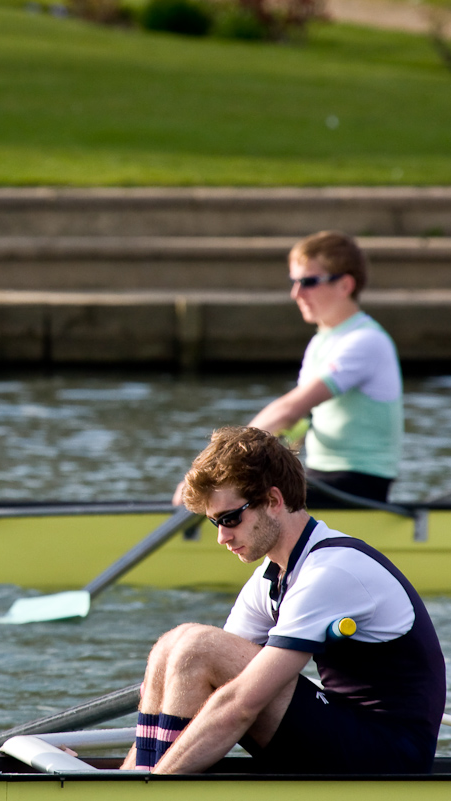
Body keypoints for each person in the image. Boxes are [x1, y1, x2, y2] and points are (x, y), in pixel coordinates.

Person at [125, 426, 444, 775]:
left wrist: (154, 785)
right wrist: (119, 781)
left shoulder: (332, 570)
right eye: (214, 522)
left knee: (196, 647)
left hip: (390, 756)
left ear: (274, 501)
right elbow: (206, 677)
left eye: (230, 518)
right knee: (170, 649)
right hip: (348, 732)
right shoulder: (275, 572)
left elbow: (240, 705)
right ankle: (133, 779)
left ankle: (150, 788)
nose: (221, 536)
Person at [248, 230, 403, 505]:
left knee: (244, 499)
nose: (296, 293)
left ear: (345, 285)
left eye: (308, 282)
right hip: (322, 477)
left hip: (359, 484)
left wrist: (221, 465)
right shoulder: (322, 342)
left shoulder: (366, 341)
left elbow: (289, 409)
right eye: (294, 282)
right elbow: (298, 422)